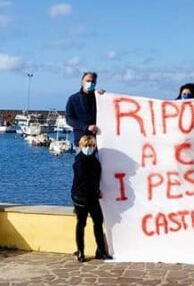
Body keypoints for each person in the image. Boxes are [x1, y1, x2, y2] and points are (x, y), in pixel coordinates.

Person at [71, 132, 112, 262]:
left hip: (93, 197)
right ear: (81, 145)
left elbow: (96, 178)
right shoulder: (79, 161)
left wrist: (97, 191)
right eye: (87, 145)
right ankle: (80, 251)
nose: (90, 147)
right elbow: (84, 180)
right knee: (81, 223)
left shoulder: (94, 160)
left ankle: (101, 251)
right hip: (81, 197)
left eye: (92, 145)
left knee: (98, 223)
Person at [66, 71, 103, 144]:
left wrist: (105, 96)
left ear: (95, 83)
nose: (90, 83)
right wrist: (86, 127)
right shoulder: (73, 99)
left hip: (99, 140)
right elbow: (69, 119)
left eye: (92, 82)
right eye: (88, 81)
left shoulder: (99, 98)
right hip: (81, 141)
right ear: (82, 82)